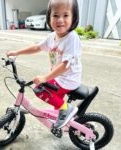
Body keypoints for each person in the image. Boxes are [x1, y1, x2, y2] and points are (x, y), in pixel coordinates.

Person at [6, 0, 81, 129]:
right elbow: (37, 48)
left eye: (66, 15)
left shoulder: (72, 38)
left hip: (68, 79)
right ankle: (66, 121)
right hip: (59, 78)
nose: (60, 20)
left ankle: (67, 110)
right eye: (55, 15)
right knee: (55, 102)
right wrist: (16, 52)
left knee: (41, 90)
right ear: (49, 17)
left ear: (74, 17)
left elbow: (65, 65)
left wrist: (45, 78)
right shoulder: (52, 36)